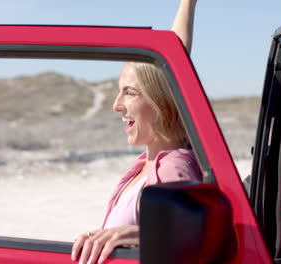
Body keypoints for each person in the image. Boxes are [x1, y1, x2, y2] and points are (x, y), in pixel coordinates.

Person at [72, 1, 200, 263]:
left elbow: (189, 240)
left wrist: (140, 235)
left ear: (160, 100)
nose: (116, 105)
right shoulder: (147, 164)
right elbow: (174, 60)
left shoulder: (172, 166)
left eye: (129, 92)